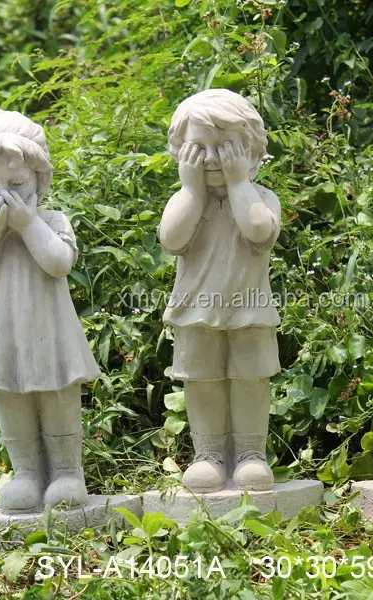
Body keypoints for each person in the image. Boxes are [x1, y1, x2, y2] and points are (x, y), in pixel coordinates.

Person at [0, 110, 101, 513]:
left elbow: (57, 263)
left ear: (38, 181)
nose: (4, 194)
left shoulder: (51, 220)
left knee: (57, 395)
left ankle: (68, 472)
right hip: (3, 334)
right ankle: (27, 473)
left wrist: (26, 222)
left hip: (50, 333)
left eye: (15, 184)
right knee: (10, 398)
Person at [158, 89, 281, 493]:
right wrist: (192, 191)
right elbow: (171, 239)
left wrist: (238, 181)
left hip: (249, 310)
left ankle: (250, 455)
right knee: (202, 381)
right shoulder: (185, 200)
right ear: (181, 152)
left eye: (224, 148)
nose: (211, 159)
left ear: (251, 150)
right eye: (199, 148)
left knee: (250, 379)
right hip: (196, 310)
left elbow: (259, 231)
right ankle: (208, 454)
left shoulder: (261, 198)